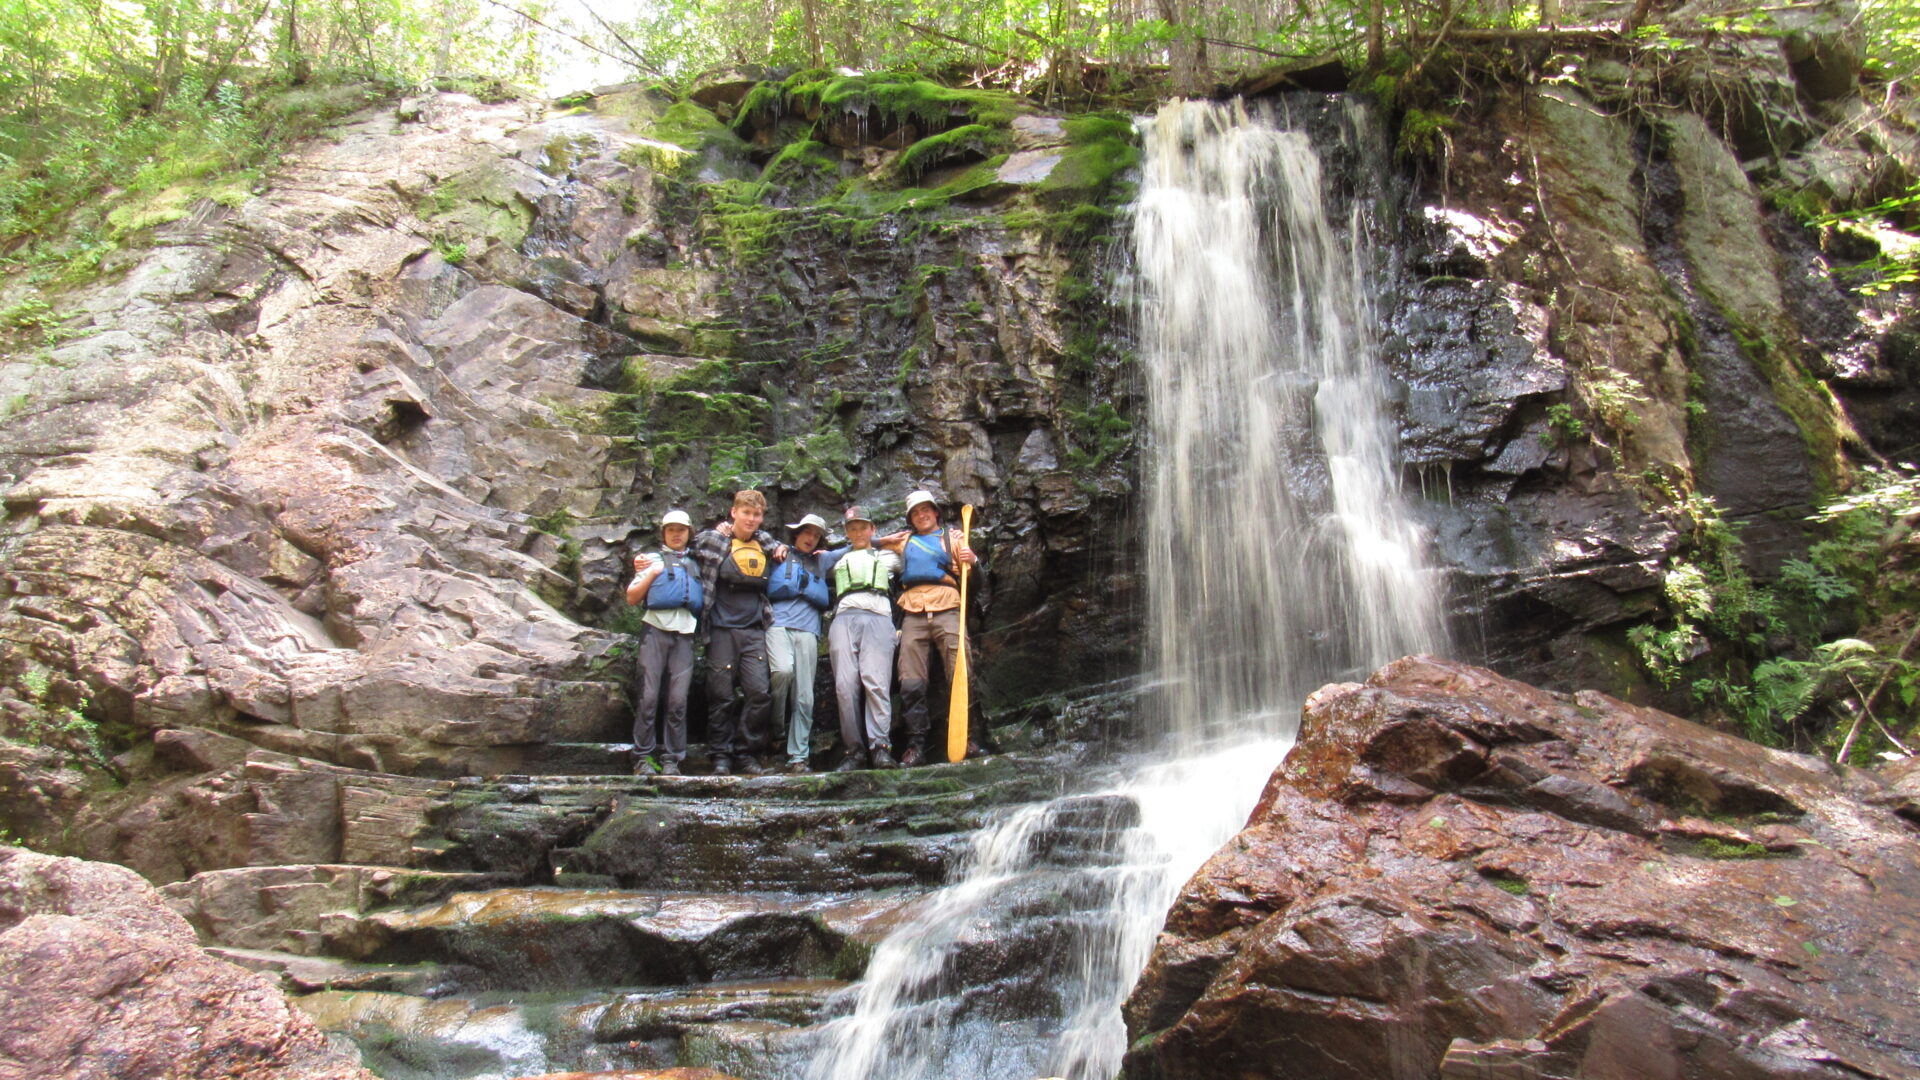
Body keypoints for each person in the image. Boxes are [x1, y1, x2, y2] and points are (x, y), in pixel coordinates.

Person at [687, 489, 787, 776]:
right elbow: (682, 546)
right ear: (733, 513)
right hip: (720, 630)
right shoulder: (713, 540)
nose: (751, 519)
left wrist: (780, 546)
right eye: (746, 512)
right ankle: (720, 756)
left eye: (756, 514)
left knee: (759, 694)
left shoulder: (765, 543)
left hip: (754, 630)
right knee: (722, 696)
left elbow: (775, 543)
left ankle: (746, 754)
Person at [880, 489, 978, 766]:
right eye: (915, 512)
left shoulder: (954, 538)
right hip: (912, 611)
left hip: (948, 606)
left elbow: (973, 576)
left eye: (926, 510)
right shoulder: (904, 541)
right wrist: (883, 539)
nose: (921, 515)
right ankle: (916, 745)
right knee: (910, 680)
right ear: (910, 518)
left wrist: (975, 562)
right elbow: (868, 543)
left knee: (961, 671)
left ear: (936, 512)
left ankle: (966, 737)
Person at [816, 506, 902, 770]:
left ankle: (880, 747)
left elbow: (917, 556)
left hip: (878, 617)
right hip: (843, 618)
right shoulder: (836, 560)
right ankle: (854, 751)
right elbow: (813, 561)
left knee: (875, 683)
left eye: (863, 527)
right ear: (846, 532)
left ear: (872, 529)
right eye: (852, 528)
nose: (858, 532)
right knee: (844, 686)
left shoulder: (890, 556)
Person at [624, 509, 701, 776]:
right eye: (671, 530)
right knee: (648, 697)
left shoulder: (698, 561)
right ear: (664, 534)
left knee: (678, 700)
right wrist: (652, 571)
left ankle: (672, 759)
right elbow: (632, 597)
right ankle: (642, 758)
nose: (677, 534)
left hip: (685, 633)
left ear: (689, 533)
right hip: (655, 630)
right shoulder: (652, 560)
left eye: (681, 530)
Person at [766, 512, 832, 774]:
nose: (811, 539)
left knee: (805, 696)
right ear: (797, 533)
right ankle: (776, 727)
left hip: (808, 630)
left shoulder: (823, 561)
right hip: (778, 624)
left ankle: (798, 756)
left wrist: (887, 541)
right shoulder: (777, 553)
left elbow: (856, 545)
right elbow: (747, 541)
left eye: (816, 536)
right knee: (782, 672)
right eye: (808, 533)